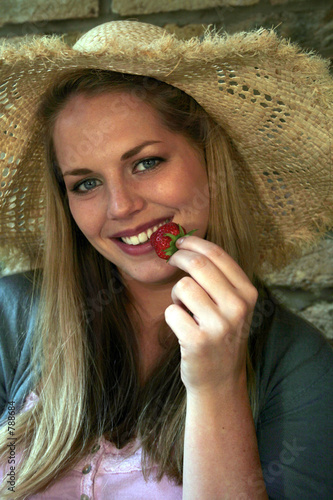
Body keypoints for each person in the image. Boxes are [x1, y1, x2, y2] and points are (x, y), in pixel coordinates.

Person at [0, 20, 332, 499]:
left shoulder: (300, 366)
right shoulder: (11, 318)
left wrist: (218, 384)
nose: (121, 207)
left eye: (146, 163)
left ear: (209, 159)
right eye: (86, 183)